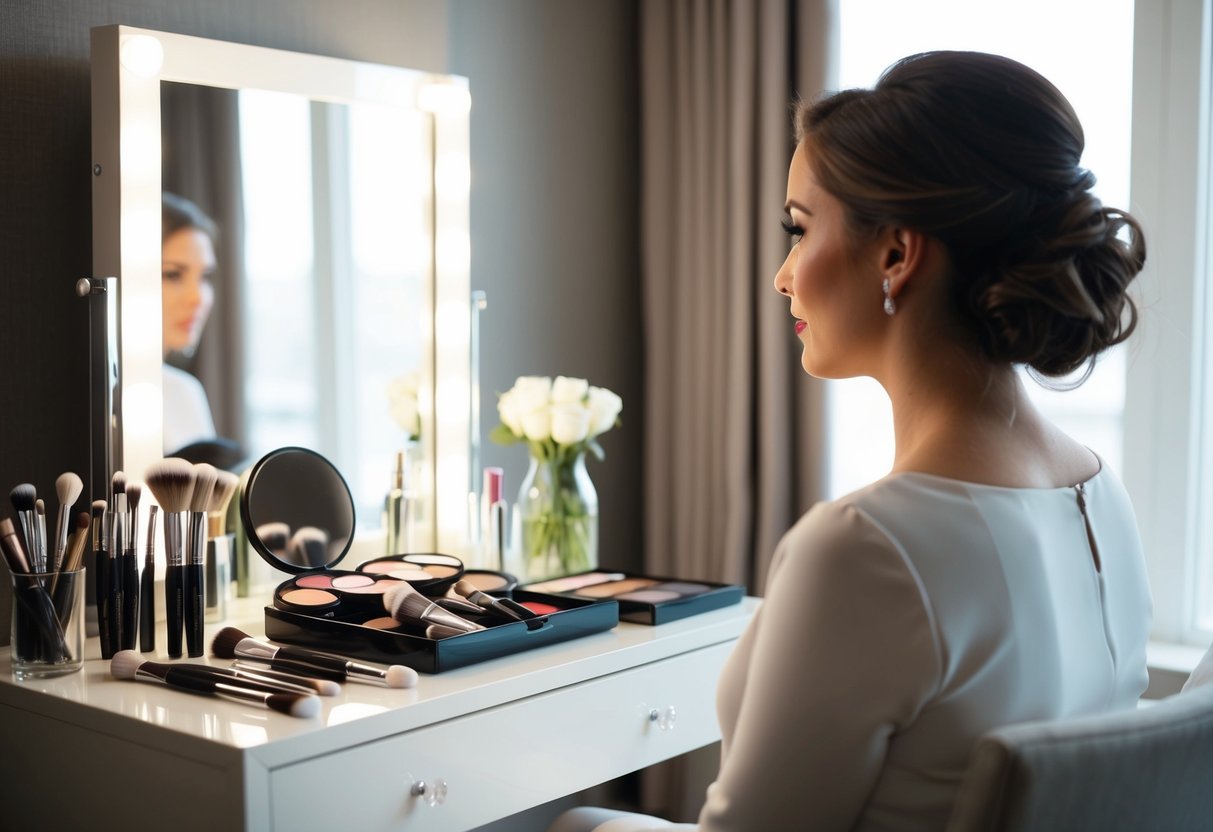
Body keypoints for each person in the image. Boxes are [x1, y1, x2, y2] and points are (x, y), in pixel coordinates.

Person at [551, 51, 1151, 831]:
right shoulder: (1102, 494)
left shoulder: (866, 549)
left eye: (798, 230)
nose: (782, 275)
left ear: (896, 255)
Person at [161, 191, 220, 455]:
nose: (197, 297)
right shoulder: (99, 397)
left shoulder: (186, 392)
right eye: (173, 274)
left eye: (205, 276)